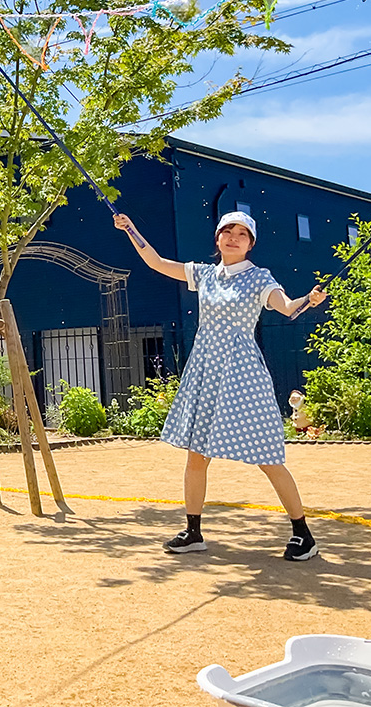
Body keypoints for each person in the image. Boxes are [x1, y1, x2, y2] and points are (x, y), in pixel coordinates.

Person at [113, 210, 327, 561]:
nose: (233, 238)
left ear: (250, 244)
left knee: (267, 457)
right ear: (217, 238)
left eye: (242, 234)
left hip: (243, 374)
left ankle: (303, 534)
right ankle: (193, 531)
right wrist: (130, 229)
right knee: (196, 456)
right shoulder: (205, 274)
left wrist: (308, 300)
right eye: (227, 231)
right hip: (206, 371)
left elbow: (288, 308)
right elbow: (156, 262)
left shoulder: (260, 277)